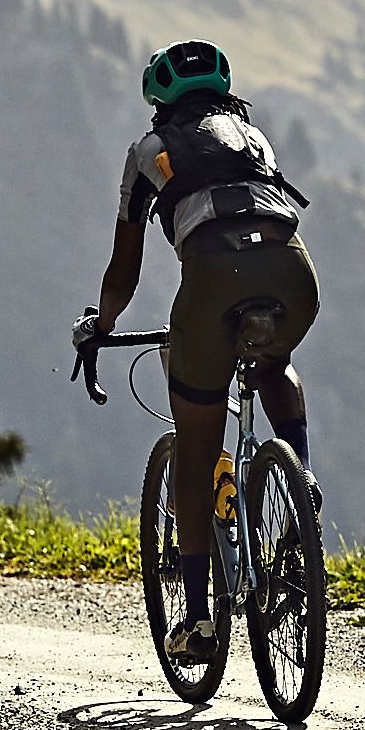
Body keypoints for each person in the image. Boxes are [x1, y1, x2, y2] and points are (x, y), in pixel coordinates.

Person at [75, 38, 320, 663]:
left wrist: (99, 325)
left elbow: (123, 271)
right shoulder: (251, 135)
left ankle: (197, 615)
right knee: (272, 360)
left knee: (197, 443)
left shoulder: (148, 153)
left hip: (212, 285)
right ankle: (300, 476)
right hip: (295, 275)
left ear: (159, 101)